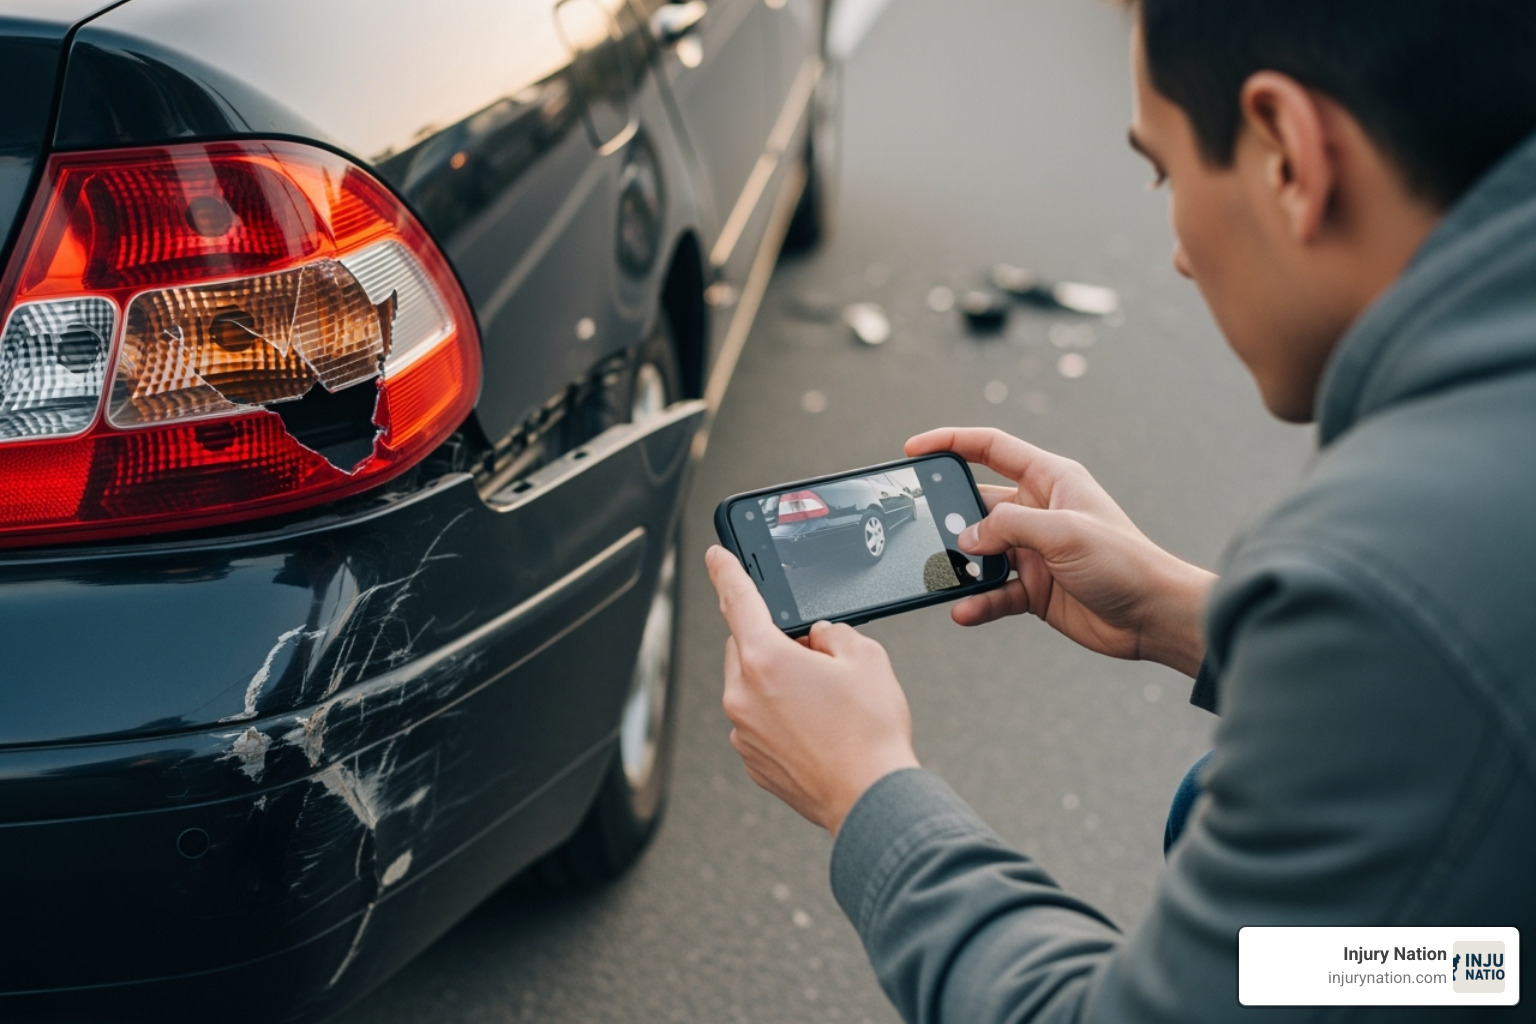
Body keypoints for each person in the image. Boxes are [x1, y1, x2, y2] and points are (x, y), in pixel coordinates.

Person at [705, 1, 1536, 1021]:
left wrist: (870, 792)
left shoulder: (1392, 567)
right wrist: (1182, 613)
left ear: (1286, 152)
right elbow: (1484, 954)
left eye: (1166, 170)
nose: (1179, 251)